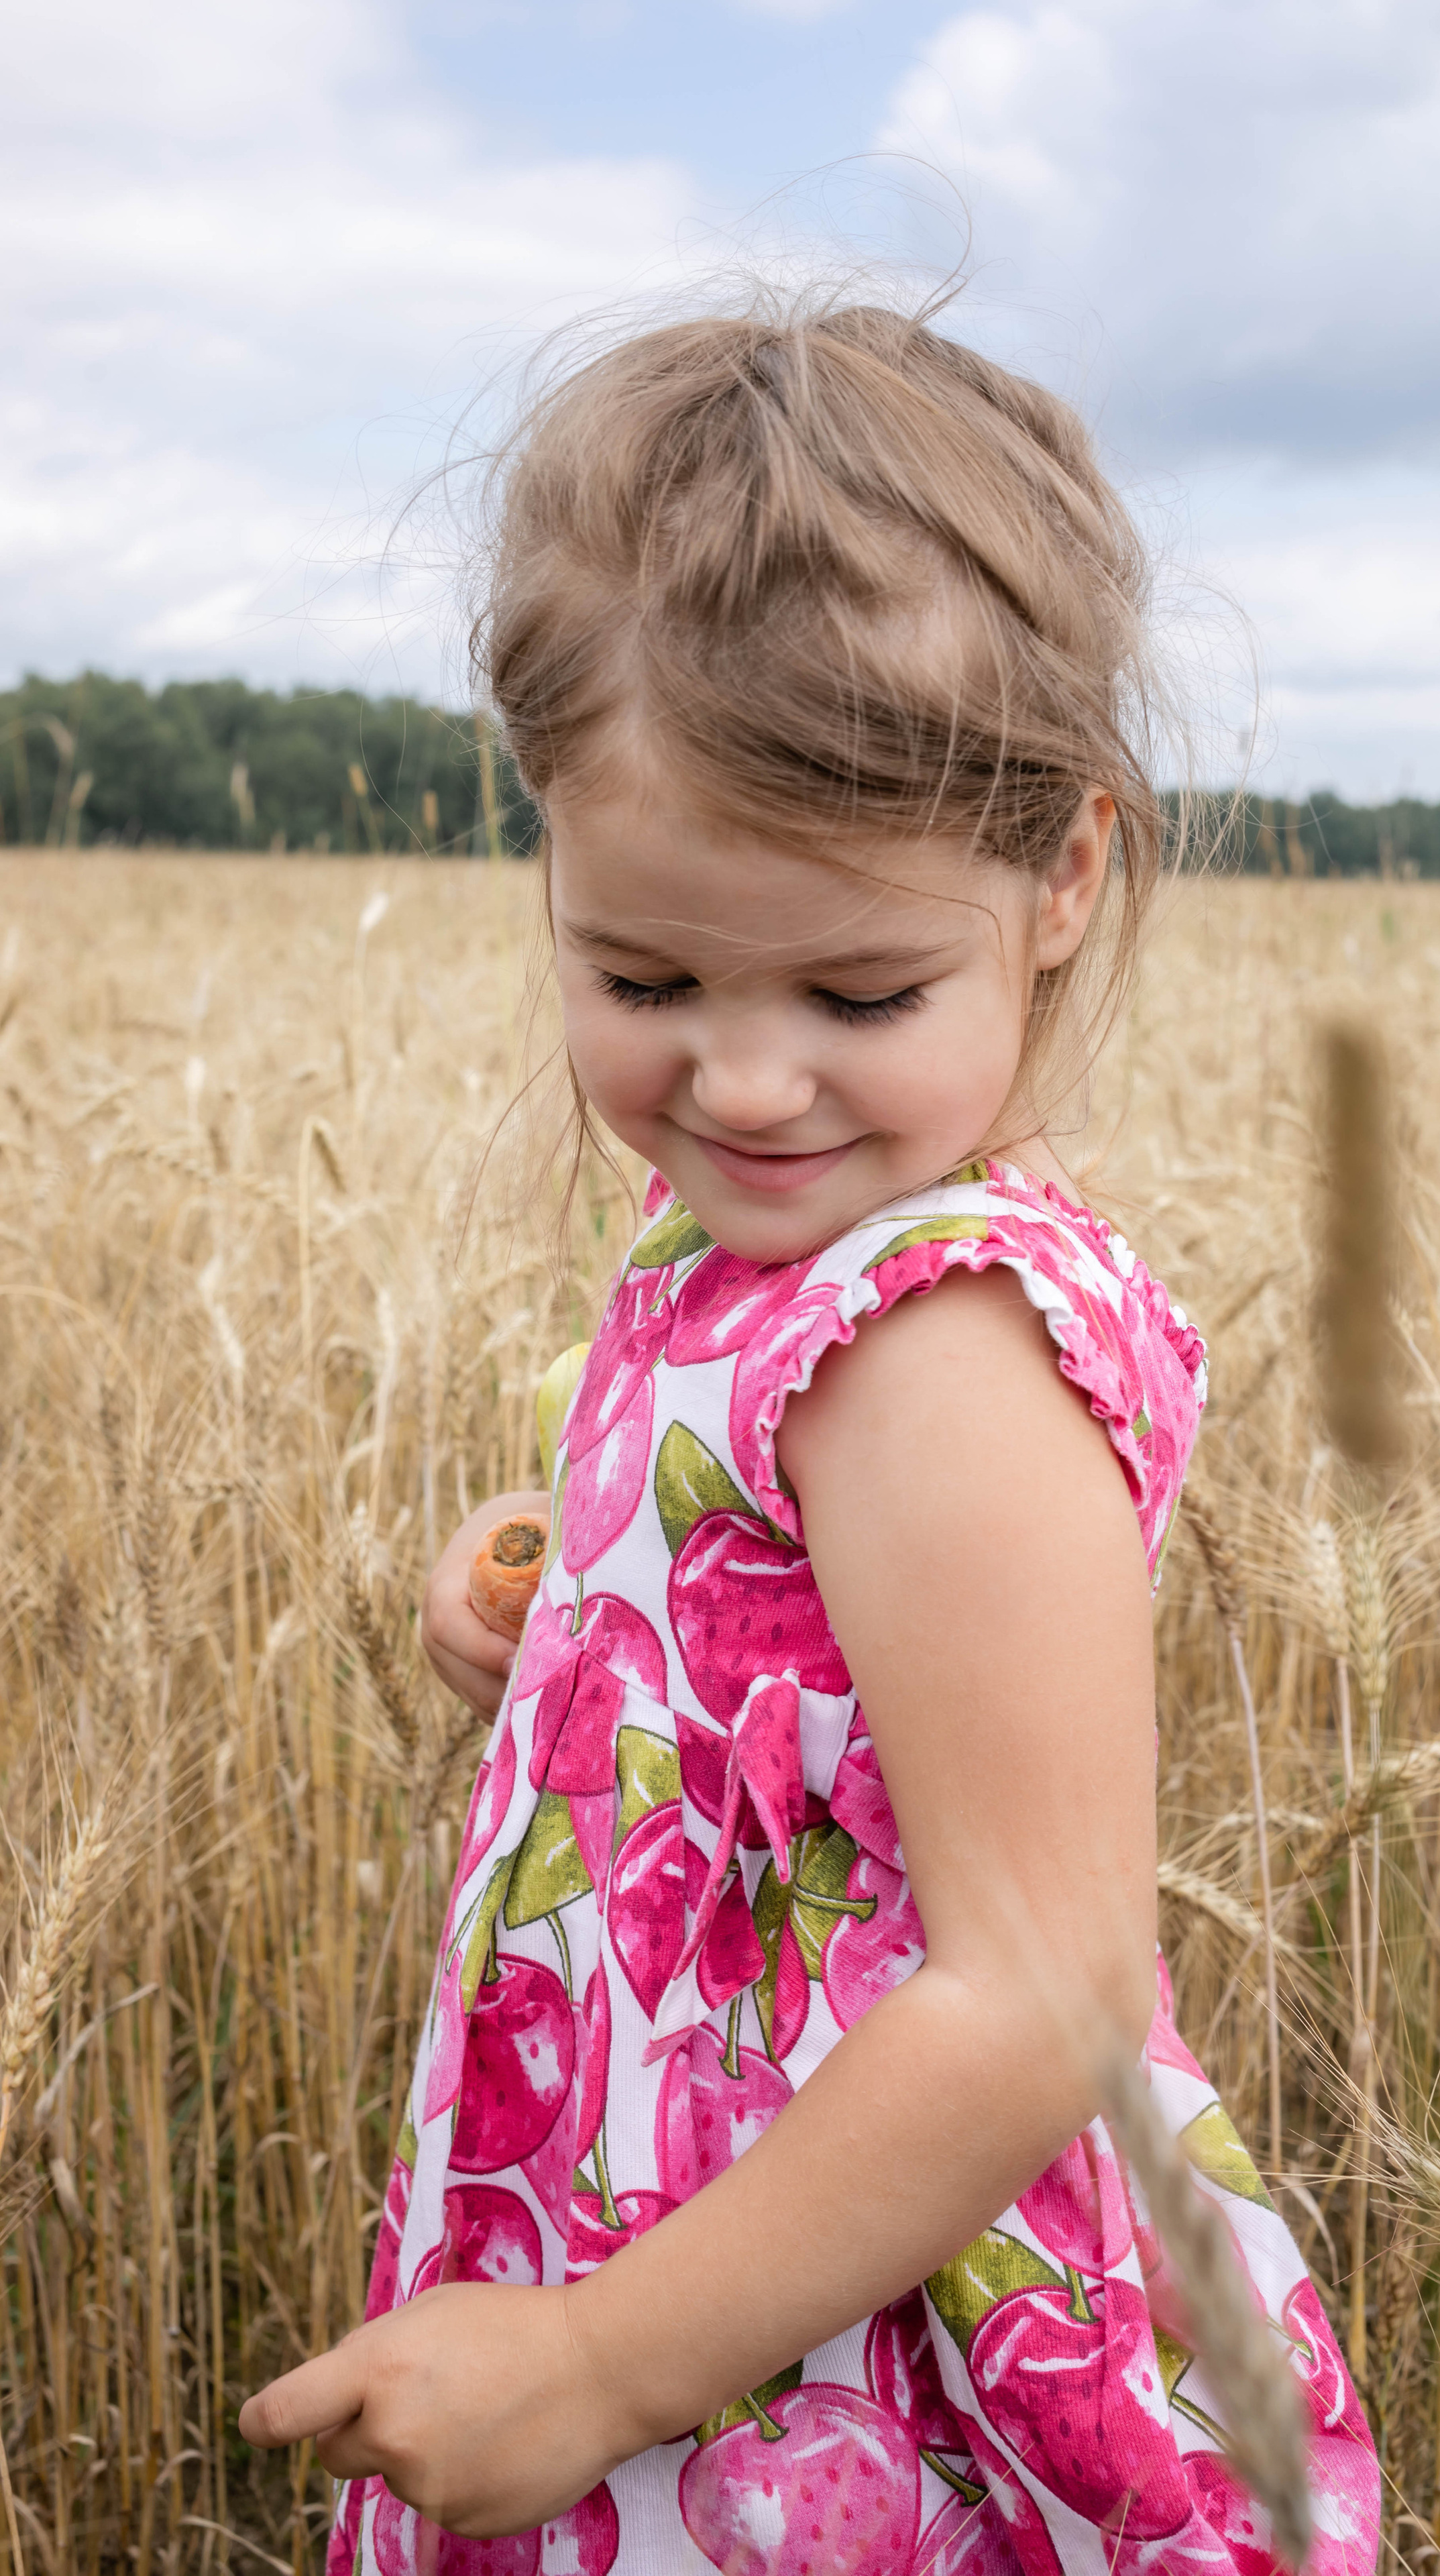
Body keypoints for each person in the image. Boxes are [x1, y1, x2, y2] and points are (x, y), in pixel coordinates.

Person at [241, 296, 1379, 2574]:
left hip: (826, 2348)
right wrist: (566, 1608)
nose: (745, 1082)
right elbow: (773, 1625)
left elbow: (1040, 1985)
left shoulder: (937, 1345)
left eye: (858, 994)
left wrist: (601, 2367)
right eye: (643, 978)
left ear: (1063, 880)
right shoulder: (750, 1263)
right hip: (690, 2241)